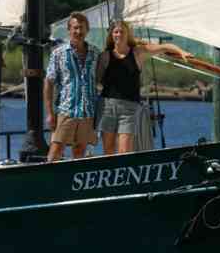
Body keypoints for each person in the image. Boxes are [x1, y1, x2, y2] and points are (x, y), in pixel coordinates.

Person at [97, 20, 193, 155]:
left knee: (125, 151)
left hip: (129, 108)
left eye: (122, 32)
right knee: (108, 150)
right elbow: (97, 81)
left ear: (128, 34)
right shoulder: (104, 56)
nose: (119, 34)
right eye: (116, 32)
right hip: (107, 106)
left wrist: (181, 51)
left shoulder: (138, 53)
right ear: (111, 35)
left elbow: (164, 47)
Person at [44, 12, 100, 162]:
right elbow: (48, 83)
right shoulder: (58, 53)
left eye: (82, 28)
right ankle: (48, 176)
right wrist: (49, 113)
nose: (78, 31)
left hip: (87, 111)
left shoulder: (95, 53)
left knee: (80, 151)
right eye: (75, 28)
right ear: (69, 30)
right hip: (66, 110)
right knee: (55, 151)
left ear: (87, 30)